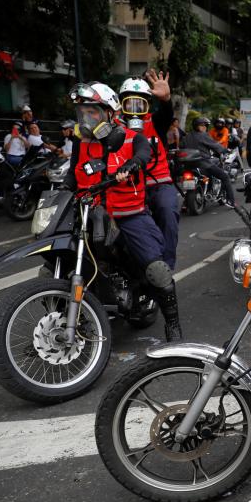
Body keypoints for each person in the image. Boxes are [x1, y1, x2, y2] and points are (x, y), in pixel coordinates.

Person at [63, 81, 182, 342]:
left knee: (157, 269)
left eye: (92, 112)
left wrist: (134, 163)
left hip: (129, 215)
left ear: (110, 113)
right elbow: (72, 175)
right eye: (83, 112)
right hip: (90, 213)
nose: (86, 118)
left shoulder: (132, 137)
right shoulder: (80, 144)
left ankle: (173, 325)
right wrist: (60, 186)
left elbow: (144, 152)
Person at [118, 71, 179, 270]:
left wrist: (166, 100)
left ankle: (165, 268)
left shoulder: (155, 122)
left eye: (141, 103)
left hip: (158, 185)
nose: (135, 108)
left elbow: (167, 115)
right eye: (130, 102)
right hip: (126, 188)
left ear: (148, 105)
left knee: (168, 210)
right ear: (121, 104)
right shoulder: (113, 128)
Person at [182, 117, 235, 207]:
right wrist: (225, 150)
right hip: (203, 163)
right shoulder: (203, 136)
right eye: (202, 125)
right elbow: (215, 145)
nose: (204, 128)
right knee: (225, 177)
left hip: (188, 165)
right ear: (196, 126)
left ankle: (185, 202)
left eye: (205, 126)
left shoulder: (186, 136)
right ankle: (231, 201)